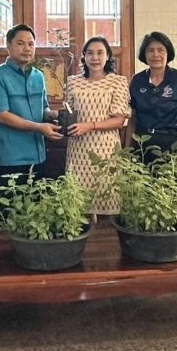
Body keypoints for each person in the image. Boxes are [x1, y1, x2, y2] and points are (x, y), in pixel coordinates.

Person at [0, 24, 62, 185]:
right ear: (8, 46)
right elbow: (2, 116)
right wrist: (40, 127)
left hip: (38, 155)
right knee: (12, 202)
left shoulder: (39, 76)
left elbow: (44, 108)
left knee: (38, 201)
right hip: (10, 157)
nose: (27, 48)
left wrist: (53, 115)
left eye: (31, 44)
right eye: (20, 43)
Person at [64, 36, 130, 216]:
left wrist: (90, 125)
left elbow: (119, 120)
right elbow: (69, 112)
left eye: (100, 53)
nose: (95, 57)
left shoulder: (118, 81)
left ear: (108, 56)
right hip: (78, 148)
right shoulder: (73, 81)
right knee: (78, 201)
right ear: (84, 56)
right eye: (90, 53)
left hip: (106, 148)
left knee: (107, 194)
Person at [128, 31, 177, 161]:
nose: (155, 55)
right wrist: (127, 149)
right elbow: (133, 118)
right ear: (144, 54)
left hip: (171, 144)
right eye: (150, 50)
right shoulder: (137, 80)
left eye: (160, 50)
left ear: (168, 53)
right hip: (142, 144)